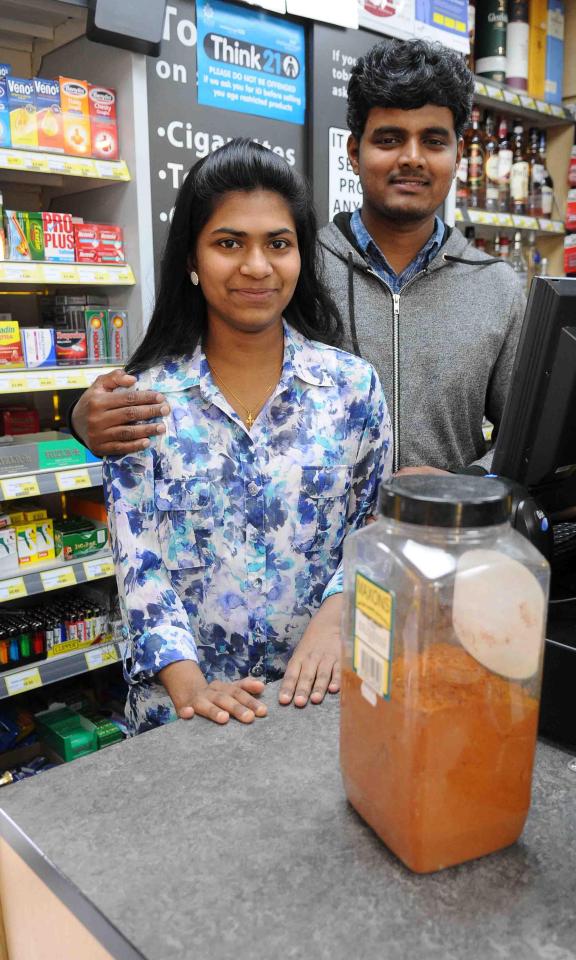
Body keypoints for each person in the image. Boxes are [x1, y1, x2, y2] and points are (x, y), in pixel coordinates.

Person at [71, 38, 525, 698]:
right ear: (354, 151)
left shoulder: (496, 290)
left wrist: (451, 490)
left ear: (460, 151)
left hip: (383, 634)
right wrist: (82, 420)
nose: (257, 264)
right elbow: (140, 554)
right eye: (389, 137)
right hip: (195, 703)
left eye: (433, 139)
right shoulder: (301, 261)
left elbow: (526, 449)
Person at [103, 140, 391, 734]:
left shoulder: (352, 390)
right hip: (182, 718)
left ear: (300, 259)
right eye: (229, 243)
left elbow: (375, 530)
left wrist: (338, 614)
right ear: (192, 258)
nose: (256, 266)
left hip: (317, 701)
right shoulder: (143, 402)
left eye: (278, 245)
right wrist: (192, 687)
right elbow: (139, 566)